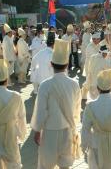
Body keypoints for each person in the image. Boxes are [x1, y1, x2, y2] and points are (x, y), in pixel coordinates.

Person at [31, 39, 82, 169]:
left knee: (46, 165)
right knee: (65, 165)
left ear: (51, 64)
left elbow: (41, 111)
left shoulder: (45, 85)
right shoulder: (74, 84)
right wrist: (74, 125)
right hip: (67, 129)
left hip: (49, 132)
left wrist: (37, 130)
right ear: (66, 65)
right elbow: (77, 110)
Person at [81, 68, 111, 169]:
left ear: (98, 88)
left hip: (96, 142)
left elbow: (85, 128)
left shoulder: (90, 106)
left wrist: (84, 145)